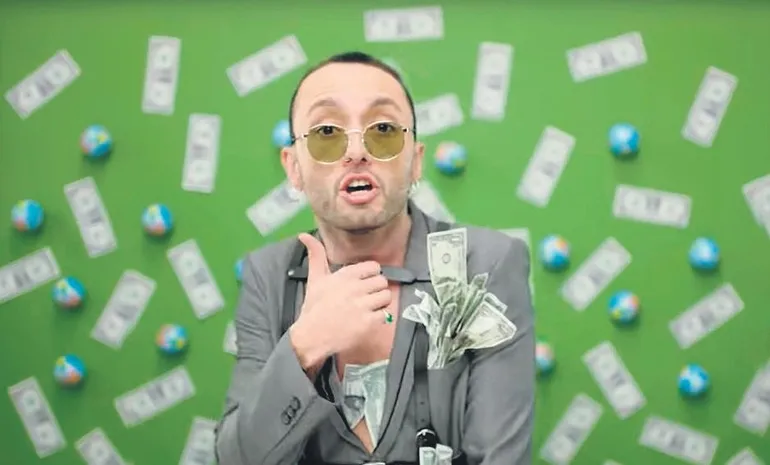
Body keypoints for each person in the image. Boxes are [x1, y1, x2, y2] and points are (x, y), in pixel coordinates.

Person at [214, 51, 535, 465]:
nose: (356, 152)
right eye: (327, 131)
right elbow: (236, 459)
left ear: (415, 161)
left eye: (383, 129)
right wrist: (304, 346)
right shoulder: (267, 275)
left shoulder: (486, 264)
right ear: (293, 168)